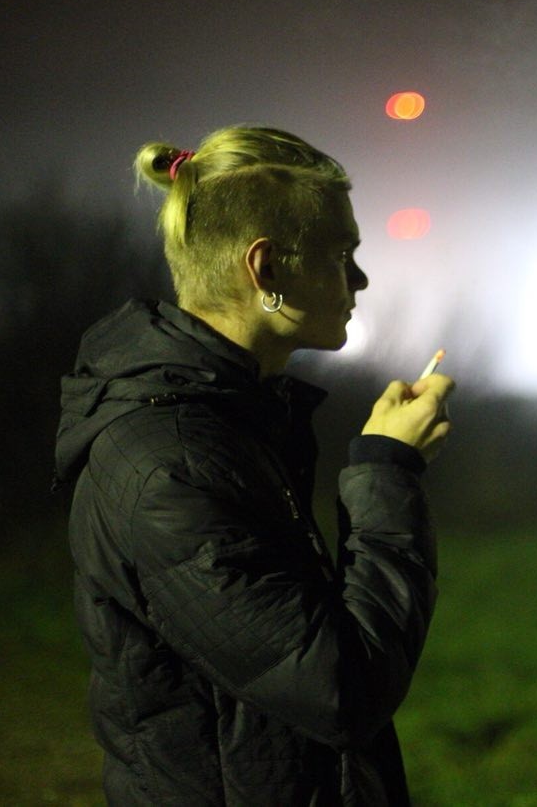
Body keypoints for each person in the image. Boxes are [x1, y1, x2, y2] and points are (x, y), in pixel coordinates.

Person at [53, 126, 454, 805]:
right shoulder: (170, 463)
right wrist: (387, 471)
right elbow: (341, 688)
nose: (359, 279)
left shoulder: (234, 416)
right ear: (265, 270)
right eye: (341, 254)